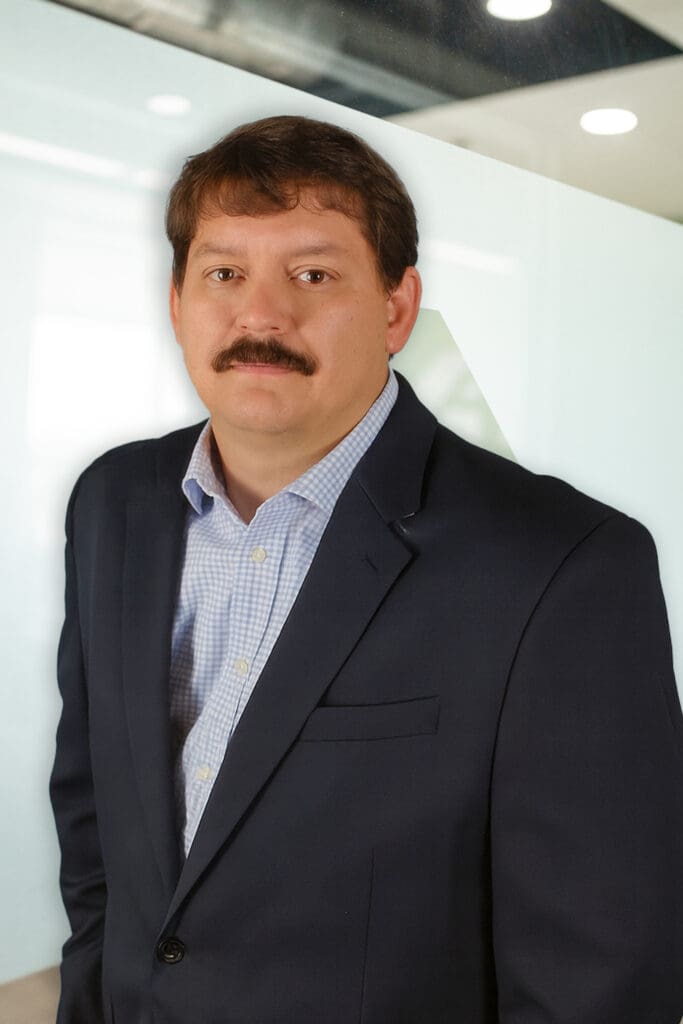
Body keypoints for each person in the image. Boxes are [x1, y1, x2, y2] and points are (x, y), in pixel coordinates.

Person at [50, 114, 683, 1024]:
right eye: (224, 274)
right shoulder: (112, 502)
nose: (260, 316)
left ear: (396, 307)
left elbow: (602, 976)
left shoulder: (561, 565)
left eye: (313, 275)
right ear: (178, 301)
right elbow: (96, 832)